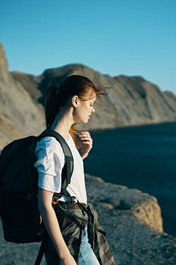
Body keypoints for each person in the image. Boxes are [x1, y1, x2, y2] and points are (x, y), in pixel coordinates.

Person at [34, 75, 115, 265]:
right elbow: (44, 203)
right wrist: (64, 256)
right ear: (75, 101)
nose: (93, 109)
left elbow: (64, 176)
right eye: (91, 103)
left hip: (80, 227)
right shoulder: (50, 145)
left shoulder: (67, 137)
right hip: (68, 232)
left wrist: (80, 155)